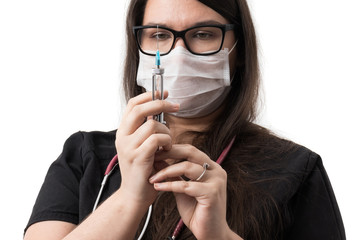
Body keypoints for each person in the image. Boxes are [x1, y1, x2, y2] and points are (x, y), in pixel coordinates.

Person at [24, 0, 346, 239]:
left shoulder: (295, 172)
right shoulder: (84, 157)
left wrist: (220, 235)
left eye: (203, 34)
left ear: (240, 49)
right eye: (159, 35)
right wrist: (128, 200)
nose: (178, 53)